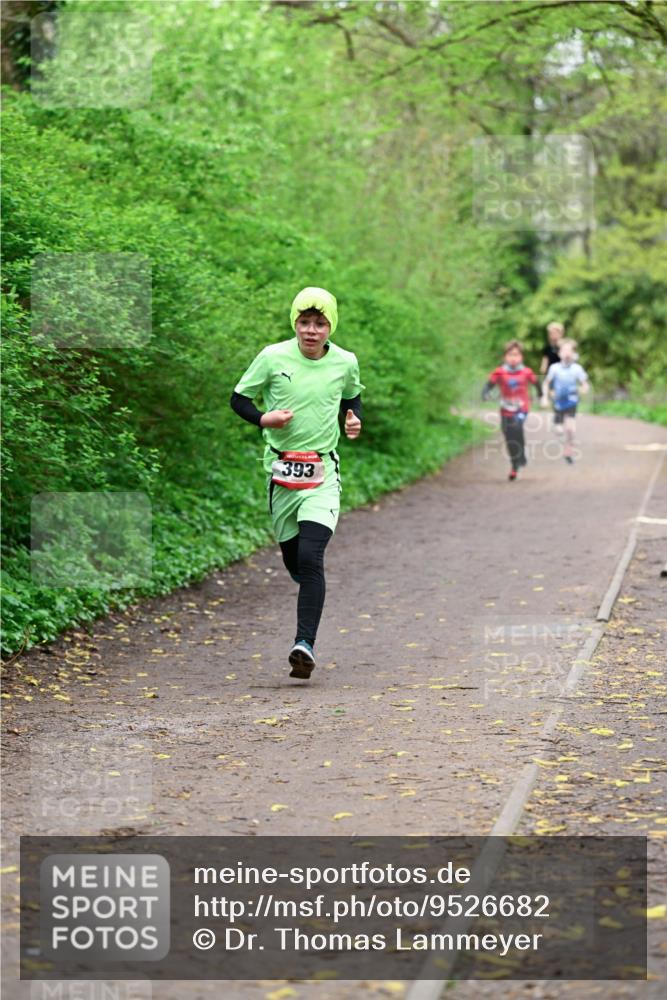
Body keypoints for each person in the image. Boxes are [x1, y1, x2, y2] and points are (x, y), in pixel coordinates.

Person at [230, 287, 364, 680]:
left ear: (330, 326)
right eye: (304, 322)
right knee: (295, 560)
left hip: (322, 472)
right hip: (281, 471)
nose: (311, 330)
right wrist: (263, 419)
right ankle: (306, 582)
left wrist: (352, 418)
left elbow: (351, 397)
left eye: (320, 323)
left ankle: (304, 644)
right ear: (295, 323)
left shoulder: (345, 362)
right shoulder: (273, 357)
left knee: (311, 556)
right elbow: (238, 398)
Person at [482, 340, 540, 481]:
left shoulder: (526, 372)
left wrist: (541, 395)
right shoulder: (500, 372)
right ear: (505, 357)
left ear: (521, 357)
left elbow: (537, 383)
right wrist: (485, 393)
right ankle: (515, 465)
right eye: (510, 355)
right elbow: (488, 385)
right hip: (505, 408)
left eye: (516, 355)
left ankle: (522, 454)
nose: (513, 358)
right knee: (509, 438)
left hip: (522, 408)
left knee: (517, 427)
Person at [542, 337, 589, 464]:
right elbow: (546, 383)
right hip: (558, 402)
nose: (567, 353)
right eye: (564, 350)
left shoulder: (577, 368)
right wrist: (545, 397)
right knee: (559, 430)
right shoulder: (554, 368)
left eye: (570, 351)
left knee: (570, 429)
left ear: (574, 354)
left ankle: (569, 450)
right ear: (559, 353)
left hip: (572, 401)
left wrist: (584, 389)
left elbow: (585, 384)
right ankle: (561, 434)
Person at [540, 322, 564, 388]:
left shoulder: (564, 347)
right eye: (551, 333)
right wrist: (543, 370)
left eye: (555, 333)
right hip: (550, 375)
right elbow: (545, 362)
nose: (553, 335)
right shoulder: (547, 348)